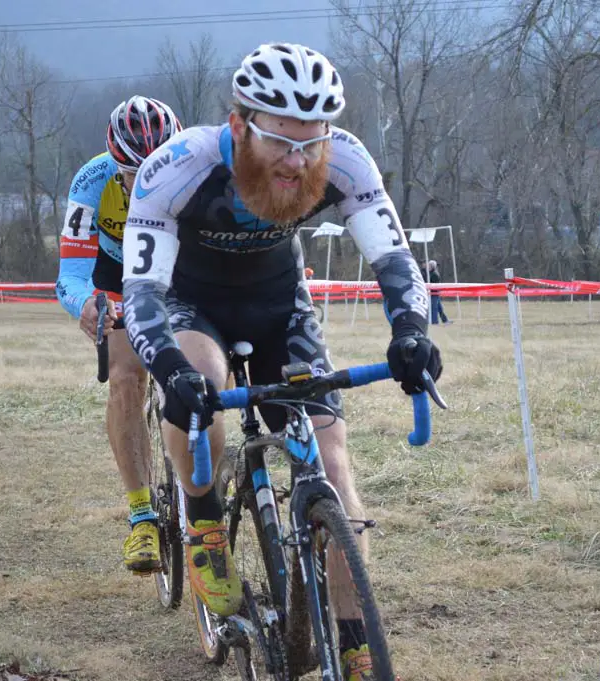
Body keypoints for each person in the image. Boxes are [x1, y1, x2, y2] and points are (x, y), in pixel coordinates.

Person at [120, 43, 442, 681]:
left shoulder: (345, 159)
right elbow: (142, 293)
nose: (298, 162)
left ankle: (352, 644)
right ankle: (205, 520)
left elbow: (394, 258)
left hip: (280, 308)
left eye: (311, 142)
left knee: (335, 466)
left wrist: (411, 332)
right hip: (192, 305)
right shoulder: (177, 168)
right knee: (201, 388)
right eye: (280, 142)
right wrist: (168, 371)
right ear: (239, 125)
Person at [55, 96, 183, 574]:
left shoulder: (198, 171)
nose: (146, 182)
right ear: (114, 163)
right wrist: (85, 304)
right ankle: (143, 516)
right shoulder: (91, 182)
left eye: (159, 171)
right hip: (117, 270)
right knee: (126, 376)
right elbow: (69, 274)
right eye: (132, 173)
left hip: (177, 266)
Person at [420, 259, 451, 325]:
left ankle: (434, 322)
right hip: (433, 293)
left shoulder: (434, 274)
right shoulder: (429, 273)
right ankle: (445, 320)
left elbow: (433, 284)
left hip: (434, 293)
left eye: (429, 265)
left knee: (434, 308)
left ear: (432, 266)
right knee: (439, 308)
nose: (427, 266)